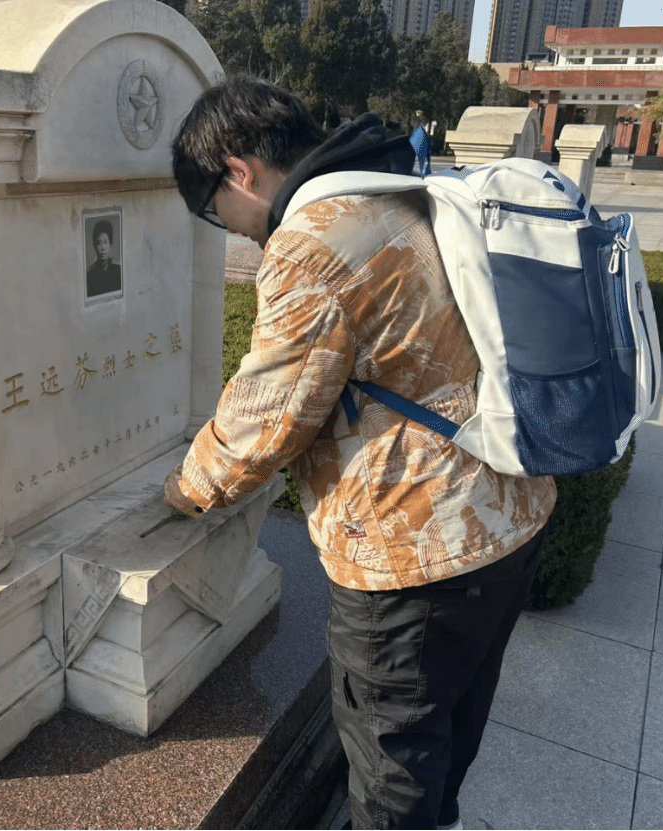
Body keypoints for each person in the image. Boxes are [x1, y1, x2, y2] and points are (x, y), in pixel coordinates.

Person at [163, 75, 556, 831]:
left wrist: (185, 488)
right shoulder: (395, 184)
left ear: (239, 172)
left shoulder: (310, 242)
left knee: (391, 759)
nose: (232, 230)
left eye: (216, 211)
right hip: (510, 509)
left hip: (415, 552)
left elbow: (264, 422)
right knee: (457, 713)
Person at [86, 219, 121, 297]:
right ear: (95, 246)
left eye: (105, 242)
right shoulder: (89, 275)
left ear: (110, 245)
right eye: (99, 243)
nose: (102, 247)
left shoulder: (118, 270)